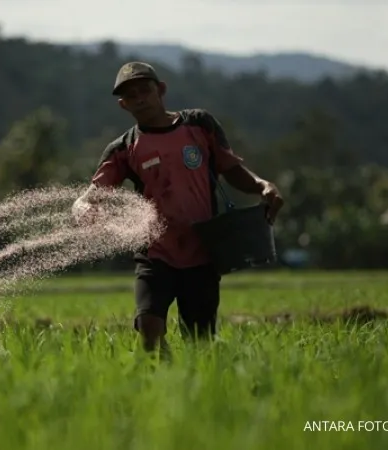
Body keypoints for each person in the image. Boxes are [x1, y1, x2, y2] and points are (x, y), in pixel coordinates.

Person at [73, 61, 284, 359]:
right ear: (123, 105)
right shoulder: (123, 148)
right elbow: (95, 192)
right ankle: (165, 383)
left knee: (200, 342)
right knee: (149, 328)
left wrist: (263, 186)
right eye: (131, 96)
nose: (140, 98)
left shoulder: (199, 125)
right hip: (155, 252)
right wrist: (82, 206)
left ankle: (193, 391)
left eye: (145, 90)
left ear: (161, 90)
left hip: (203, 252)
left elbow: (232, 170)